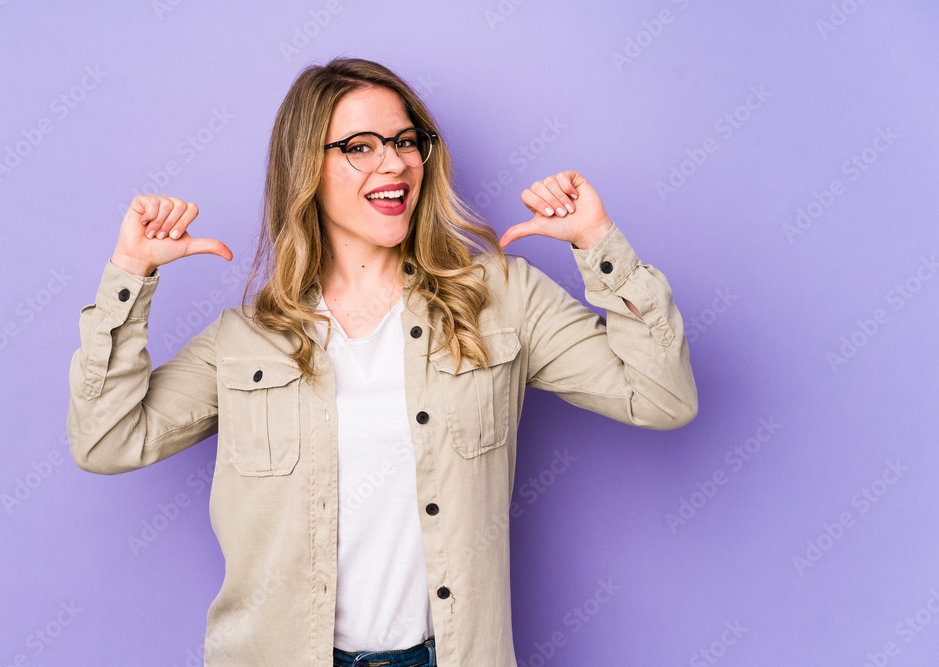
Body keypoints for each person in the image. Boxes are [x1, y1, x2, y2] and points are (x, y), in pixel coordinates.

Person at [67, 57, 697, 666]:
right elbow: (106, 441)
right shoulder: (247, 339)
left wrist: (598, 243)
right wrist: (131, 274)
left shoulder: (502, 298)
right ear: (305, 168)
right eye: (360, 147)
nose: (394, 163)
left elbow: (662, 398)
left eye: (405, 141)